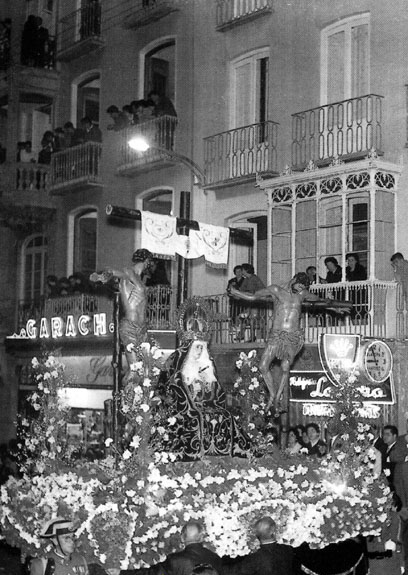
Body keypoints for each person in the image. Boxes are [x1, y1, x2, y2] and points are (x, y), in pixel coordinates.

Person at [229, 272, 351, 412]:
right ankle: (272, 393)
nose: (300, 290)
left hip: (293, 336)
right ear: (293, 280)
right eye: (299, 286)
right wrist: (236, 292)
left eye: (302, 288)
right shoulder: (276, 290)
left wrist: (335, 308)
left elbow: (319, 301)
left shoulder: (302, 294)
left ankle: (277, 397)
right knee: (263, 366)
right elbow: (253, 296)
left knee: (286, 366)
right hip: (277, 334)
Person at [90, 249, 153, 370]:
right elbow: (114, 272)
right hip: (130, 327)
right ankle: (126, 389)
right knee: (135, 369)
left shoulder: (140, 278)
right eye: (150, 262)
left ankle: (139, 389)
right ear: (147, 261)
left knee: (146, 369)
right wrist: (102, 276)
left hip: (142, 328)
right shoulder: (129, 272)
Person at [223, 516, 297, 575]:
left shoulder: (256, 557)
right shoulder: (287, 549)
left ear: (256, 534)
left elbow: (232, 571)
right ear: (273, 532)